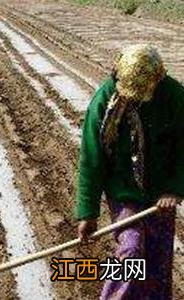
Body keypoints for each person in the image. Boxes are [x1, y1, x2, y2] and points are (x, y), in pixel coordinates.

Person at [75, 44, 184, 299]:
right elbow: (92, 159)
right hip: (123, 190)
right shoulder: (104, 99)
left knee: (157, 261)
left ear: (158, 79)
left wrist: (175, 189)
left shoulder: (175, 97)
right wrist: (87, 213)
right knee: (132, 251)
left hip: (160, 195)